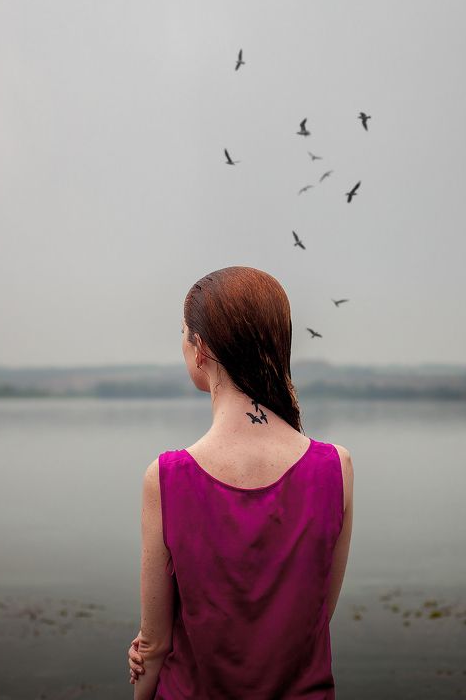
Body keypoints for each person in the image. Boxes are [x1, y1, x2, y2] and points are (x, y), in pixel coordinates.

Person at [127, 266, 354, 699]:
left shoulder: (167, 477)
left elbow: (154, 647)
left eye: (183, 333)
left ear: (200, 349)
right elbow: (316, 616)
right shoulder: (335, 467)